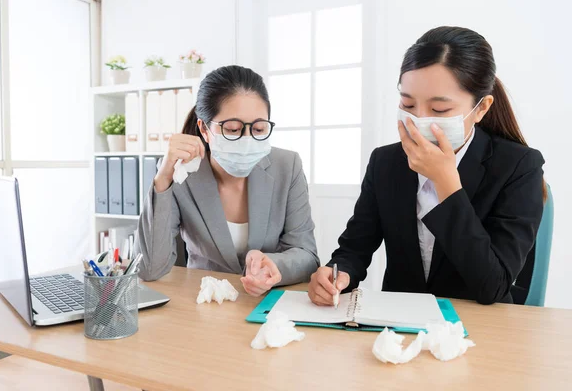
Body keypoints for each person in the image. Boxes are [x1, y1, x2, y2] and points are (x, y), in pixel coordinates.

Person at [308, 26, 545, 305]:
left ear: (481, 108)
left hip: (478, 328)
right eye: (408, 105)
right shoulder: (385, 162)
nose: (419, 120)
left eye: (440, 110)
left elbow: (492, 287)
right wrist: (338, 274)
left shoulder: (519, 166)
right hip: (398, 324)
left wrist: (446, 184)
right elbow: (354, 249)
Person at [136, 65, 319, 296]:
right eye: (232, 130)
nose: (247, 140)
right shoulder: (182, 175)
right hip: (203, 305)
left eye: (259, 128)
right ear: (204, 128)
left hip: (266, 306)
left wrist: (273, 265)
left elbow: (307, 255)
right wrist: (163, 178)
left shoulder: (287, 166)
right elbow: (149, 269)